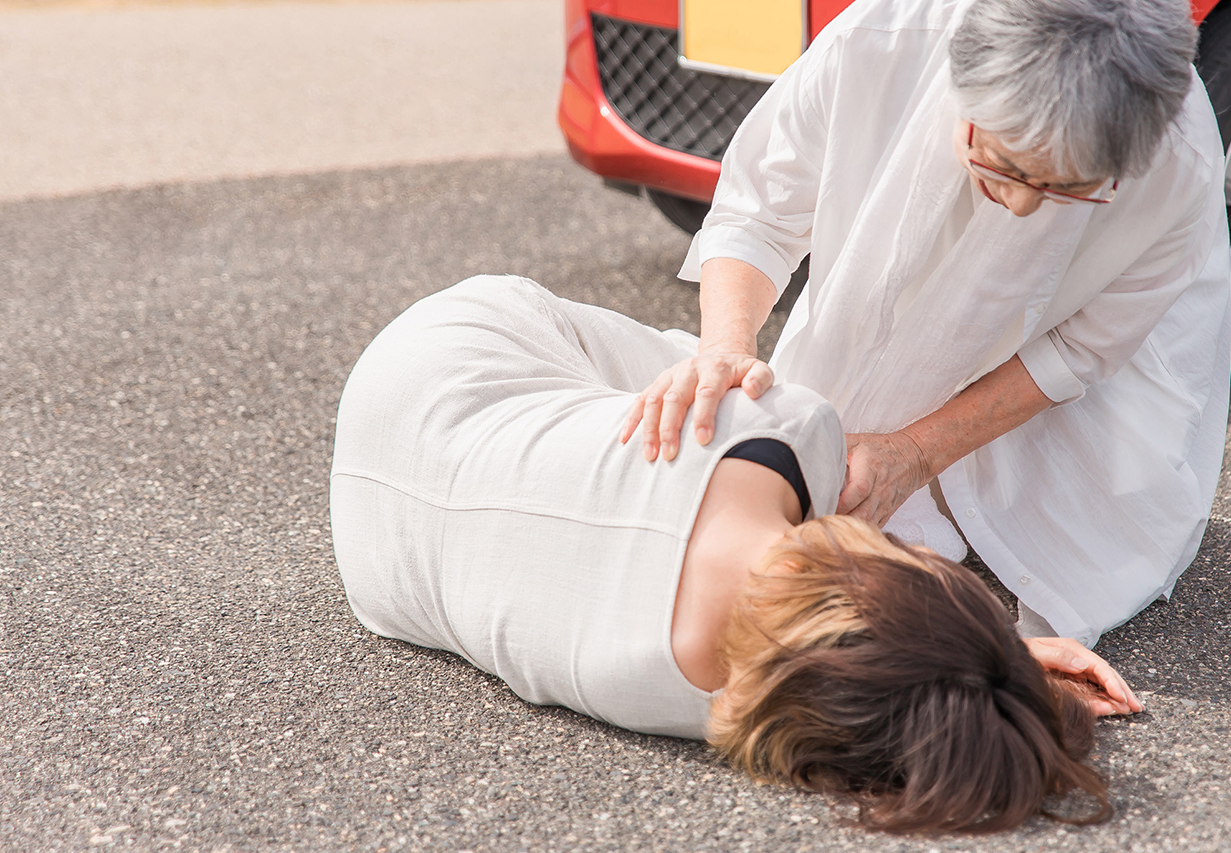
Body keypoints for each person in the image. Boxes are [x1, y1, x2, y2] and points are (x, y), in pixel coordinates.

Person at [329, 274, 1143, 833]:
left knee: (697, 382)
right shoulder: (685, 707)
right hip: (377, 568)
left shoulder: (791, 428)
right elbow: (866, 683)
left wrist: (986, 650)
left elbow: (872, 602)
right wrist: (980, 675)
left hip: (430, 358)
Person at [623, 0, 1231, 646]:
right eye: (1002, 165)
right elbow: (763, 206)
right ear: (960, 89)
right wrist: (725, 346)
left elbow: (1079, 348)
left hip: (1082, 344)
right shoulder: (897, 32)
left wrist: (917, 451)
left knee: (1090, 528)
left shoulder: (1177, 162)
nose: (1023, 207)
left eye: (1067, 189)